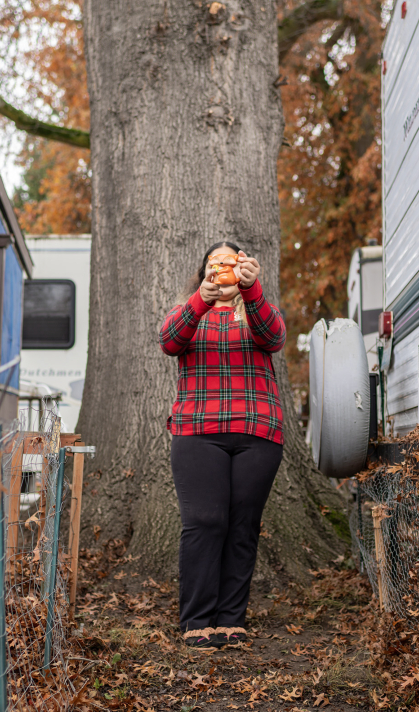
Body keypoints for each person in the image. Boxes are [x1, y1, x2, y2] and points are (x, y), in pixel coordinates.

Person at [159, 241, 287, 650]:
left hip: (257, 433)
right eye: (216, 265)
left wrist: (253, 292)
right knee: (205, 522)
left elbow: (275, 338)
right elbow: (168, 340)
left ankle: (232, 619)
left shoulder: (257, 310)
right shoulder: (191, 312)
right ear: (205, 273)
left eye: (233, 263)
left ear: (244, 269)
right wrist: (201, 299)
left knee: (242, 527)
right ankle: (197, 617)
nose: (225, 271)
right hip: (197, 432)